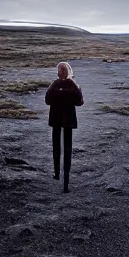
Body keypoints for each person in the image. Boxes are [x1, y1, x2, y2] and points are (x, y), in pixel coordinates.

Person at [44, 61, 84, 193]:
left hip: (56, 118)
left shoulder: (55, 84)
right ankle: (66, 183)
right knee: (67, 149)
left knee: (56, 146)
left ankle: (56, 174)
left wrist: (58, 95)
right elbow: (79, 102)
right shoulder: (72, 84)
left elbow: (47, 100)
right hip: (68, 120)